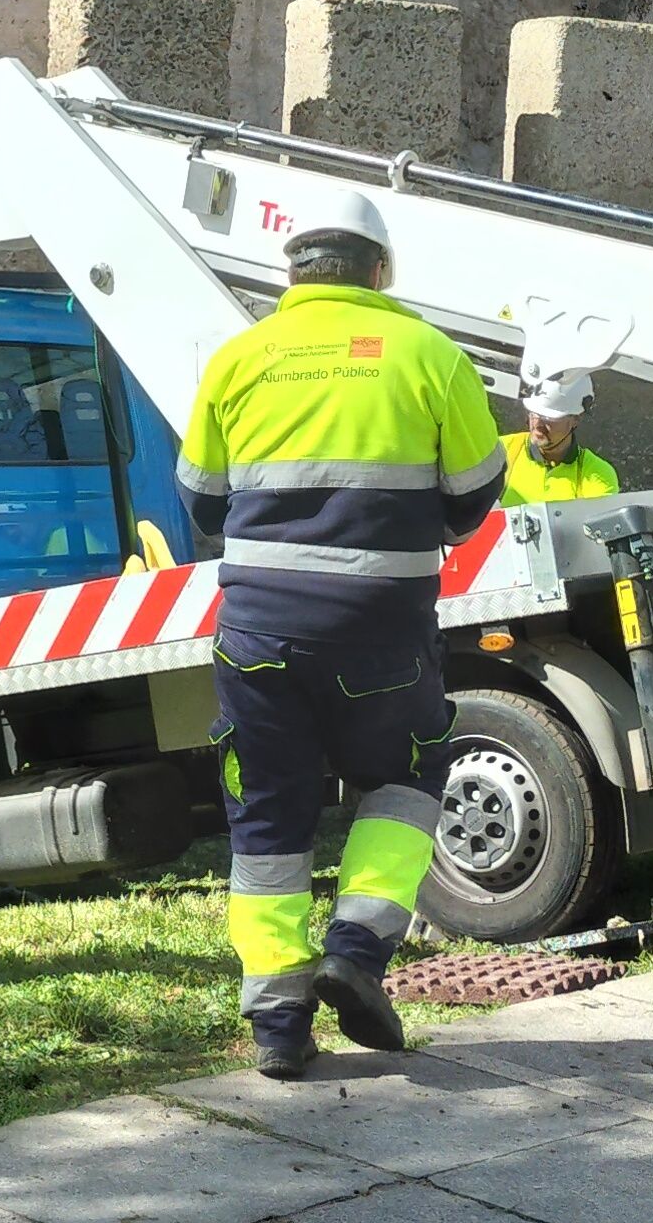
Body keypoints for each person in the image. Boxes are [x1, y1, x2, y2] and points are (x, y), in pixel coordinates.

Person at [177, 184, 505, 1079]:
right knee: (408, 774)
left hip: (256, 629)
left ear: (294, 270)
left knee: (270, 815)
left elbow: (203, 499)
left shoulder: (238, 357)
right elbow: (477, 492)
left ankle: (278, 1024)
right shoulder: (426, 352)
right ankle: (356, 950)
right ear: (379, 269)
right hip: (380, 627)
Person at [498, 371, 620, 506]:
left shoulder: (598, 474)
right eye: (534, 413)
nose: (537, 423)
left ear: (576, 419)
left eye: (549, 418)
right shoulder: (501, 451)